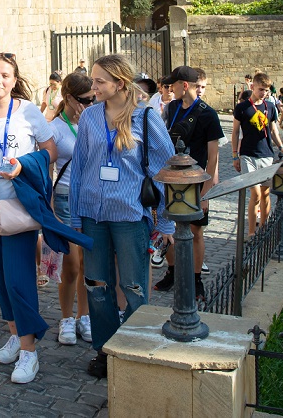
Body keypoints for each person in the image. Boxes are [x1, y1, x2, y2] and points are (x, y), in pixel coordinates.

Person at [0, 52, 85, 384]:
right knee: (0, 280)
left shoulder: (28, 112)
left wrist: (23, 164)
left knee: (19, 279)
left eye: (5, 75)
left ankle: (29, 351)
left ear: (14, 80)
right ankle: (16, 333)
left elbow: (51, 151)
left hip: (18, 208)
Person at [68, 54, 175, 379]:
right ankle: (105, 349)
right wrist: (75, 216)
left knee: (133, 286)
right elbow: (79, 168)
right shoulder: (89, 117)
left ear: (120, 83)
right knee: (97, 285)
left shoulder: (145, 117)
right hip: (93, 215)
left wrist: (166, 221)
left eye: (100, 81)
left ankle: (133, 348)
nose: (93, 86)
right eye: (93, 80)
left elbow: (167, 169)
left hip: (130, 215)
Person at [153, 66, 224, 299]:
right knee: (167, 227)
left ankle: (195, 279)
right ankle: (172, 272)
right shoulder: (172, 108)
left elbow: (213, 157)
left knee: (196, 231)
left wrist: (206, 192)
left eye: (172, 84)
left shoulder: (208, 114)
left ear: (184, 85)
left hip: (195, 181)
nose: (169, 88)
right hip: (172, 178)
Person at [48, 71, 96, 345]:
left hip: (91, 198)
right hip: (65, 197)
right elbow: (48, 170)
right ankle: (66, 317)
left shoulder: (95, 121)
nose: (90, 104)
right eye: (85, 100)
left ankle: (84, 315)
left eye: (93, 99)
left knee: (89, 262)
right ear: (68, 98)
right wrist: (50, 206)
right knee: (71, 263)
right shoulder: (55, 128)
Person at [231, 71, 283, 237]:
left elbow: (273, 130)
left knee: (265, 194)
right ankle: (251, 232)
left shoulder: (270, 107)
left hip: (266, 154)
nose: (264, 93)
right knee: (255, 193)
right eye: (261, 89)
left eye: (266, 90)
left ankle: (263, 228)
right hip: (247, 154)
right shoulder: (242, 108)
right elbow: (235, 131)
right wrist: (235, 155)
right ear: (253, 86)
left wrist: (282, 148)